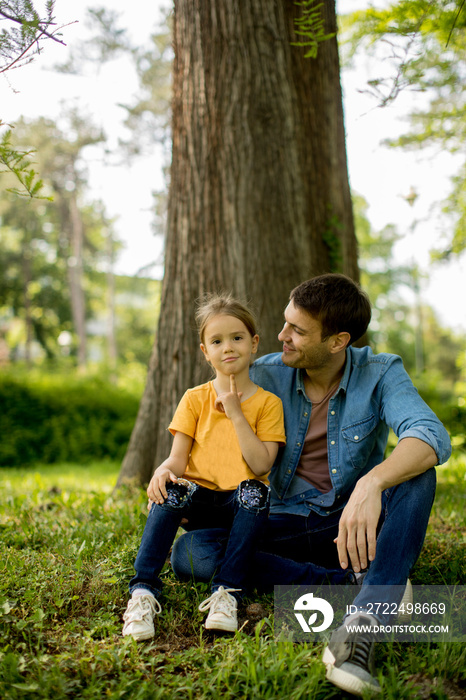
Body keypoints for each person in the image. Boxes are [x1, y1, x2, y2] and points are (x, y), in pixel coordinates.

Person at [171, 274, 452, 696]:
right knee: (189, 552)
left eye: (297, 331)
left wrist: (371, 483)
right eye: (286, 323)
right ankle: (366, 587)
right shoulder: (261, 375)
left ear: (338, 341)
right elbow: (210, 443)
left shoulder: (380, 372)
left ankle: (363, 625)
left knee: (417, 475)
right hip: (277, 520)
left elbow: (430, 436)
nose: (281, 336)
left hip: (347, 525)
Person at [123, 293, 348, 641]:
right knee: (175, 486)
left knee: (254, 490)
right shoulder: (194, 398)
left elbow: (261, 464)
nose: (228, 347)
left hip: (241, 508)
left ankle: (226, 592)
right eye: (217, 341)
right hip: (198, 503)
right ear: (205, 351)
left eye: (237, 338)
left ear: (254, 343)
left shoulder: (267, 403)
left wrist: (235, 413)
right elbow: (177, 458)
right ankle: (143, 591)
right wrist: (162, 471)